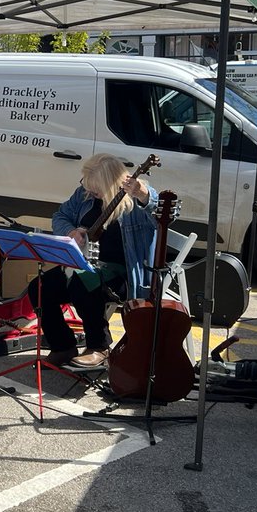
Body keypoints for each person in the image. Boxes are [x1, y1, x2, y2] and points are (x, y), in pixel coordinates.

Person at [29, 153, 158, 368]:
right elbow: (60, 216)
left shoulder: (135, 199)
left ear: (110, 184)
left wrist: (145, 196)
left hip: (124, 274)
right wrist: (71, 231)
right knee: (39, 287)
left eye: (95, 188)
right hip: (85, 265)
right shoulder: (85, 194)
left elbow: (162, 211)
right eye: (87, 186)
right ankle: (63, 346)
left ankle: (99, 346)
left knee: (84, 284)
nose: (89, 192)